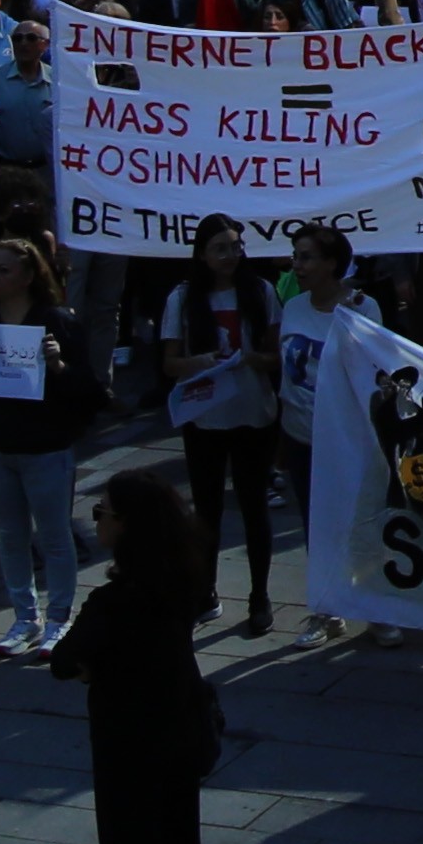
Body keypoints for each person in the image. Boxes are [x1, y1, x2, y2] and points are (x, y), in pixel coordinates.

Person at [45, 460, 227, 844]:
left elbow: (65, 661)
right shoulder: (183, 578)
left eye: (101, 512)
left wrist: (95, 668)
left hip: (128, 746)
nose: (97, 520)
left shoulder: (112, 603)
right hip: (182, 730)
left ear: (126, 525)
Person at [0, 234, 101, 659]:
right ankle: (24, 617)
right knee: (10, 535)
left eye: (4, 269)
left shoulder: (57, 322)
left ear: (30, 276)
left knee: (54, 537)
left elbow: (89, 392)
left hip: (46, 449)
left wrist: (58, 366)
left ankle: (58, 619)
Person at [152, 224, 280, 639]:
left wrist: (250, 359)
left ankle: (259, 596)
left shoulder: (260, 290)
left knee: (254, 507)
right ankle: (204, 592)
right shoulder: (182, 297)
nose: (230, 254)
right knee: (205, 511)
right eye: (220, 248)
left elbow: (276, 356)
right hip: (204, 416)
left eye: (237, 246)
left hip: (253, 412)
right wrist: (201, 362)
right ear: (202, 254)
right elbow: (170, 363)